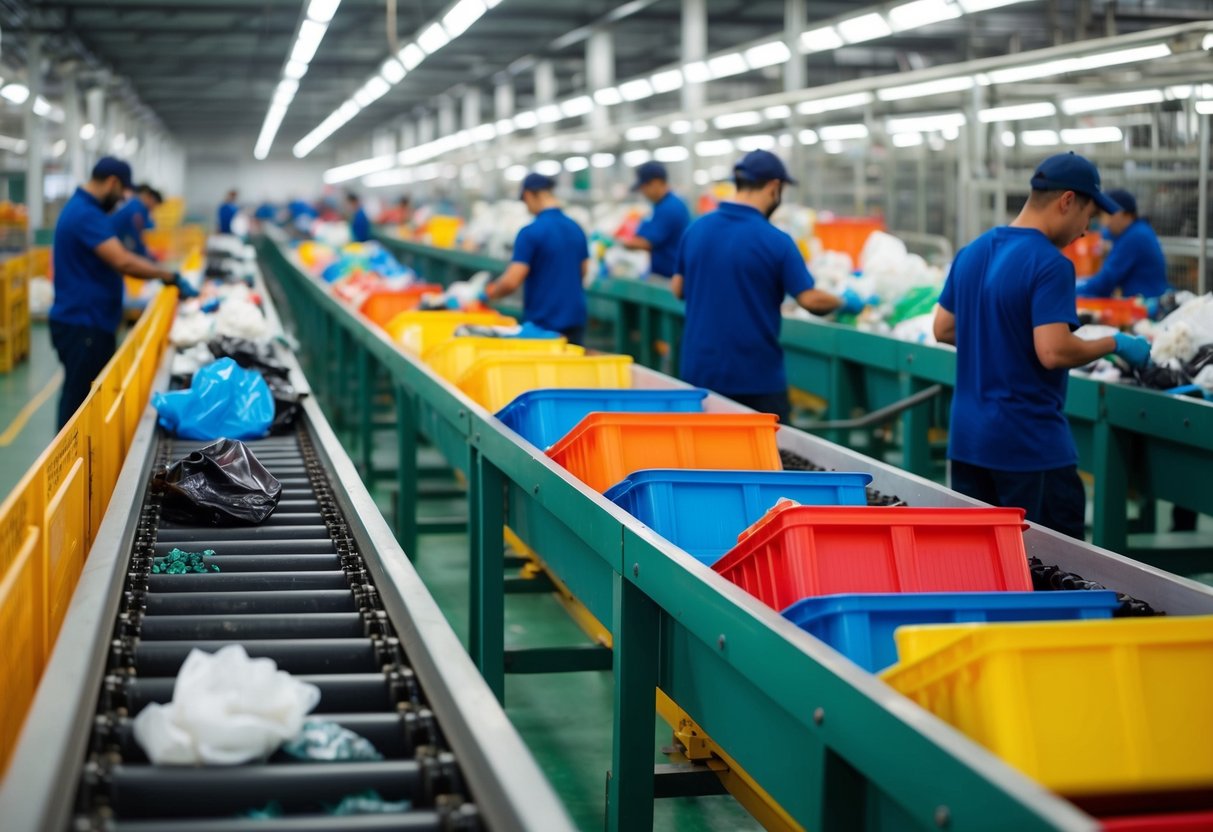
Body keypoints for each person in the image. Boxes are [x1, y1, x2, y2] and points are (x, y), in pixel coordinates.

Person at [932, 152, 1152, 539]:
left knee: (984, 565)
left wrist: (1000, 337)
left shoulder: (972, 252)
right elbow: (1053, 352)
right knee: (1050, 577)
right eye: (1088, 216)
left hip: (969, 443)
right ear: (1067, 201)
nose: (1086, 230)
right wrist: (1114, 342)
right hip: (1029, 449)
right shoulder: (1051, 264)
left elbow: (943, 328)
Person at [671, 150, 865, 424]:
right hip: (756, 381)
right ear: (774, 186)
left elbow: (678, 289)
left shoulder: (696, 230)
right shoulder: (776, 241)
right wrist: (844, 301)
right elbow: (810, 300)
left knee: (704, 461)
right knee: (762, 463)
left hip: (700, 376)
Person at [49, 158, 198, 429]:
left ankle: (77, 459)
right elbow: (123, 261)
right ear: (113, 183)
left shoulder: (85, 210)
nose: (123, 201)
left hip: (86, 321)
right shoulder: (86, 214)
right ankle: (68, 464)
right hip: (84, 324)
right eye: (123, 194)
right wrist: (169, 276)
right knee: (78, 406)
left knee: (82, 399)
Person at [483, 173, 589, 345]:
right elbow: (583, 271)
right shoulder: (576, 228)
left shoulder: (530, 232)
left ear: (527, 195)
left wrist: (487, 293)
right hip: (575, 320)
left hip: (544, 324)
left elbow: (512, 281)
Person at [1076, 188, 1168, 300]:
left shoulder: (1135, 237)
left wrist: (1069, 289)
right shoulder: (1138, 229)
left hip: (1145, 306)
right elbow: (1105, 234)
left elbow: (1104, 284)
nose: (1104, 222)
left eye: (1107, 214)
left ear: (1125, 214)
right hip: (1144, 299)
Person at [618, 161, 691, 279]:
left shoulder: (669, 208)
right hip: (668, 274)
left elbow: (646, 242)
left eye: (644, 187)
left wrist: (618, 243)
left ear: (656, 182)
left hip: (669, 277)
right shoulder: (662, 205)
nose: (643, 192)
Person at [111, 184, 162, 258]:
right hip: (114, 242)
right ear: (150, 198)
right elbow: (136, 237)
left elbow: (148, 226)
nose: (154, 208)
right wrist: (148, 257)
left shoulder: (141, 208)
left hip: (120, 241)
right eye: (155, 204)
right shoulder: (136, 210)